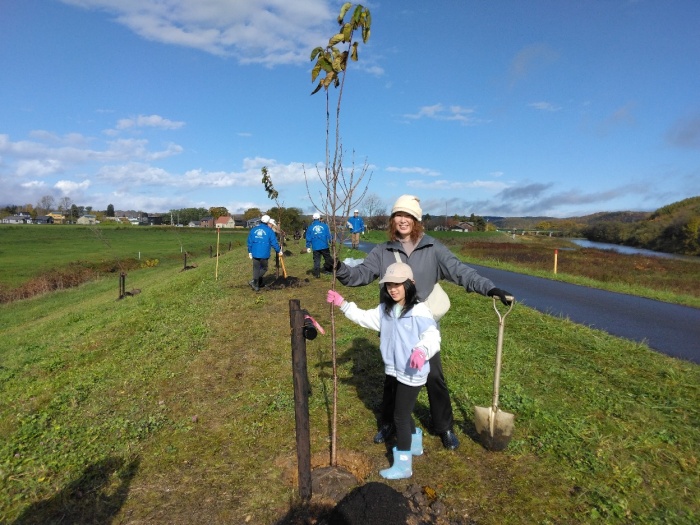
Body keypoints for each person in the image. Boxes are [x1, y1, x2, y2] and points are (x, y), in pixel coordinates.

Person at [335, 195, 513, 450]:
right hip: (393, 324)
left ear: (416, 220)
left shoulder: (432, 249)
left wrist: (490, 288)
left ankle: (444, 426)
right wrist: (339, 268)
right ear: (392, 219)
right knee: (393, 376)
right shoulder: (383, 251)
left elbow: (461, 272)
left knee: (434, 376)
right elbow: (360, 274)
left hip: (421, 327)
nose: (403, 220)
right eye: (398, 215)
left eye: (408, 216)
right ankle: (388, 423)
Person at [326, 262, 440, 479]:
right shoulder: (386, 310)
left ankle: (403, 464)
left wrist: (422, 351)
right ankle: (415, 442)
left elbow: (432, 335)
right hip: (395, 370)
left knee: (400, 417)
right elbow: (365, 318)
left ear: (410, 284)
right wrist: (343, 304)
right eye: (389, 285)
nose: (393, 289)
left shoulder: (419, 311)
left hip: (412, 372)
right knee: (403, 409)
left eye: (398, 285)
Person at [247, 214, 282, 291]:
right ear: (268, 222)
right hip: (264, 253)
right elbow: (274, 242)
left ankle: (256, 284)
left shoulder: (253, 229)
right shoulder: (269, 231)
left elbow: (249, 241)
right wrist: (279, 251)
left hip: (255, 252)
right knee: (264, 268)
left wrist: (250, 251)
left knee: (256, 268)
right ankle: (254, 281)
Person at [305, 212, 333, 278]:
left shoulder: (310, 227)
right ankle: (328, 270)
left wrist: (308, 246)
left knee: (317, 260)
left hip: (315, 247)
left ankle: (317, 274)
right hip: (324, 245)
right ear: (319, 218)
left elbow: (308, 237)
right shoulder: (325, 226)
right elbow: (329, 235)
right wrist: (331, 241)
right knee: (327, 258)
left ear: (313, 218)